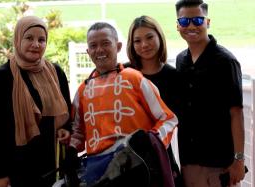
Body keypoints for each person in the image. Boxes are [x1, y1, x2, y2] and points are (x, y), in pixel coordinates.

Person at [67, 22, 178, 186]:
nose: (99, 50)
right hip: (99, 174)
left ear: (118, 46)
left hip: (137, 167)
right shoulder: (83, 90)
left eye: (106, 43)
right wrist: (71, 150)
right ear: (88, 51)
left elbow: (169, 119)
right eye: (93, 45)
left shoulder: (134, 78)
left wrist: (150, 138)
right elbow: (77, 132)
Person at [0, 16, 72, 187]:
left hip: (50, 164)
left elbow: (66, 110)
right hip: (16, 167)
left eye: (42, 39)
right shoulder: (1, 77)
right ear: (18, 39)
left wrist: (65, 129)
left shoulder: (56, 73)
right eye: (29, 38)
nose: (36, 44)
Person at [175, 0, 245, 186]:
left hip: (219, 163)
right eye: (184, 22)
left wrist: (239, 160)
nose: (191, 26)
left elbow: (236, 113)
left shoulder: (226, 62)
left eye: (197, 20)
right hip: (189, 160)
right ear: (177, 25)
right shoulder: (181, 60)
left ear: (208, 22)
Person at [126, 15, 183, 186]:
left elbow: (174, 120)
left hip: (161, 155)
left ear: (159, 37)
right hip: (127, 158)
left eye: (149, 37)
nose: (144, 45)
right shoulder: (124, 74)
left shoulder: (173, 76)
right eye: (137, 40)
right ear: (131, 44)